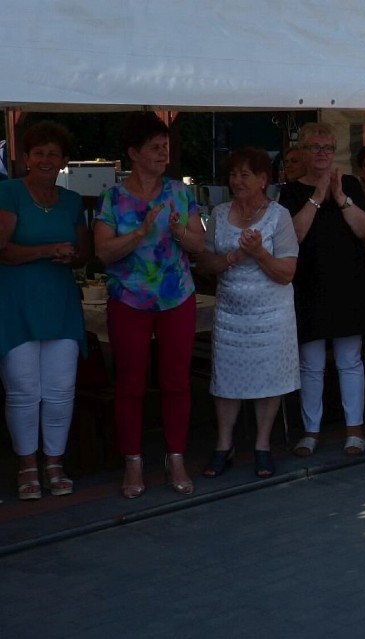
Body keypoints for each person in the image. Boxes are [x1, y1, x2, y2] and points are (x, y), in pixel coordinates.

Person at [94, 112, 206, 499]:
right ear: (133, 153)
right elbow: (103, 251)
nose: (163, 154)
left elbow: (199, 244)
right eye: (155, 148)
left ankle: (176, 458)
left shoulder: (180, 192)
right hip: (129, 299)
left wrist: (178, 232)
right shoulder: (113, 198)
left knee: (177, 381)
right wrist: (140, 233)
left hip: (177, 297)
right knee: (131, 384)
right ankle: (134, 461)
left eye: (165, 148)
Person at [195, 148, 299, 479]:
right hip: (230, 313)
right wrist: (230, 258)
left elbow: (287, 272)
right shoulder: (219, 211)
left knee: (269, 379)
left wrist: (258, 253)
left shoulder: (279, 216)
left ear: (263, 179)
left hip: (271, 313)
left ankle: (262, 446)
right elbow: (204, 263)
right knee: (226, 378)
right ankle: (224, 446)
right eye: (233, 174)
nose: (237, 180)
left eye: (245, 174)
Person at [0, 121, 91, 500]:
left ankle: (54, 463)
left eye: (53, 154)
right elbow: (2, 249)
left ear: (64, 161)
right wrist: (47, 250)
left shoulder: (72, 201)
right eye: (39, 153)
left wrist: (71, 256)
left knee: (60, 390)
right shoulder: (8, 193)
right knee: (23, 391)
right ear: (26, 158)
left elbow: (86, 255)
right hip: (16, 304)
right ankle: (26, 466)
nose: (45, 160)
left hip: (61, 304)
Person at [278, 123, 365, 457]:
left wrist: (341, 199)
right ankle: (311, 431)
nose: (321, 153)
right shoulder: (289, 192)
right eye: (314, 147)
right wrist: (317, 198)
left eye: (327, 148)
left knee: (350, 360)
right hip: (308, 286)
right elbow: (293, 236)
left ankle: (354, 430)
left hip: (349, 284)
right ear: (302, 152)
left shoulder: (348, 185)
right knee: (311, 363)